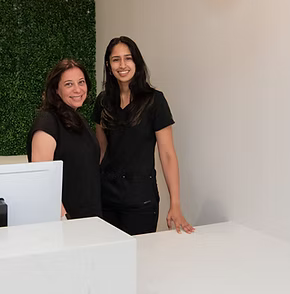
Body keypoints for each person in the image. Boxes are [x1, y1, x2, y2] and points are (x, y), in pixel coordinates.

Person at [93, 36, 195, 235]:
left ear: (137, 62)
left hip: (141, 199)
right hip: (106, 197)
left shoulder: (155, 101)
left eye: (128, 58)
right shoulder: (103, 102)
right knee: (108, 252)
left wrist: (175, 204)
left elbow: (167, 154)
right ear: (109, 65)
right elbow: (101, 150)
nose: (122, 65)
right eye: (116, 59)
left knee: (141, 252)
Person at [27, 59, 102, 220]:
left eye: (81, 82)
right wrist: (64, 218)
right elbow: (42, 179)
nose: (77, 89)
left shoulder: (77, 119)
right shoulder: (47, 122)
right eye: (69, 84)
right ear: (56, 90)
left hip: (89, 217)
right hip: (65, 221)